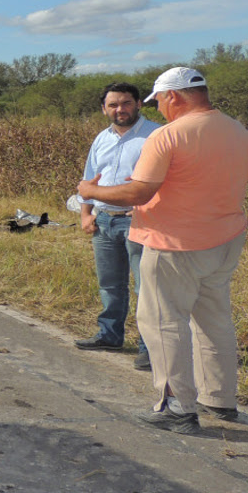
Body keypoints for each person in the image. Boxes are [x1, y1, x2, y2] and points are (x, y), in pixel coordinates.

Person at [77, 66, 248, 435]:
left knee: (163, 324)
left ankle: (177, 407)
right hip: (224, 238)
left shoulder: (168, 135)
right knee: (214, 321)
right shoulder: (237, 130)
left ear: (172, 96)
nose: (158, 108)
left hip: (174, 242)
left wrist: (90, 193)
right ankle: (220, 398)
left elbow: (137, 193)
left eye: (158, 101)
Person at [74, 83, 159, 373]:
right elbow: (88, 180)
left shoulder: (155, 136)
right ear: (104, 108)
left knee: (145, 287)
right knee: (110, 284)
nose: (119, 109)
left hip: (140, 219)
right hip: (104, 220)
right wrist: (86, 214)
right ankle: (110, 336)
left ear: (138, 104)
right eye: (113, 105)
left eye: (125, 103)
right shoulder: (102, 138)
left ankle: (150, 349)